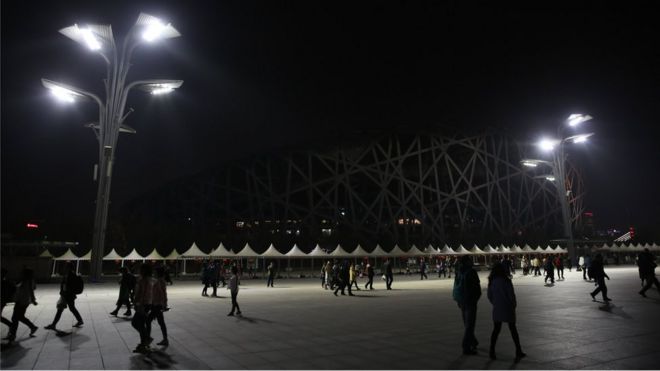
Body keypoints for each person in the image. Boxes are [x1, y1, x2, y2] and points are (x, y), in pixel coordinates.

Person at [487, 263, 525, 361]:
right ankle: (518, 350)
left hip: (497, 308)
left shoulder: (491, 282)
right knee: (513, 329)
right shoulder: (506, 281)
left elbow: (489, 295)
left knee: (496, 330)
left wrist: (495, 303)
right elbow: (511, 295)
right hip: (507, 308)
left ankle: (492, 350)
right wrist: (513, 304)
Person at [453, 256, 481, 355]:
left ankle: (473, 341)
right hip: (470, 301)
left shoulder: (458, 272)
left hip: (461, 301)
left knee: (467, 323)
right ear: (467, 262)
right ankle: (466, 346)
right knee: (470, 325)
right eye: (470, 260)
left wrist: (458, 300)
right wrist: (476, 298)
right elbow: (476, 286)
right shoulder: (471, 272)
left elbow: (456, 286)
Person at [44, 262, 84, 330]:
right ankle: (80, 320)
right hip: (66, 295)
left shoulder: (71, 275)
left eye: (66, 266)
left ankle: (53, 325)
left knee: (61, 309)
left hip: (68, 295)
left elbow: (69, 285)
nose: (64, 267)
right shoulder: (68, 274)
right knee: (71, 308)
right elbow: (64, 284)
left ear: (69, 267)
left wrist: (64, 292)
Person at [6, 268, 38, 342]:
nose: (20, 274)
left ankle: (13, 335)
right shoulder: (29, 280)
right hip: (24, 301)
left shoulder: (27, 281)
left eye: (22, 273)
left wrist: (33, 300)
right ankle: (32, 327)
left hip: (22, 301)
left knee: (15, 318)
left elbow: (31, 290)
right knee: (19, 317)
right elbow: (33, 289)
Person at [132, 263, 154, 353]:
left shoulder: (143, 280)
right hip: (148, 304)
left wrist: (137, 304)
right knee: (141, 324)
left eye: (141, 269)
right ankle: (143, 345)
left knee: (135, 323)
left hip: (143, 304)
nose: (139, 271)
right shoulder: (150, 280)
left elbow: (142, 294)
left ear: (144, 270)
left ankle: (146, 339)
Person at [147, 266, 169, 346]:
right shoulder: (159, 281)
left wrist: (164, 304)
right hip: (156, 304)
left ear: (158, 273)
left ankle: (148, 338)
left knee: (149, 320)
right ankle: (165, 339)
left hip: (157, 305)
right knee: (160, 322)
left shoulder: (160, 281)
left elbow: (163, 294)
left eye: (155, 272)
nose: (154, 273)